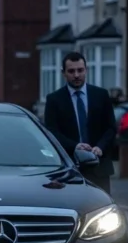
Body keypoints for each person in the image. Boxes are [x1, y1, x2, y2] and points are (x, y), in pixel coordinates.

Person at [42, 51, 117, 194]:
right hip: (69, 169)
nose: (76, 75)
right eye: (71, 71)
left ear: (86, 70)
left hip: (99, 168)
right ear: (64, 73)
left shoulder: (101, 95)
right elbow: (52, 132)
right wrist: (75, 146)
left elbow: (111, 128)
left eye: (80, 70)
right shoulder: (54, 100)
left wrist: (100, 147)